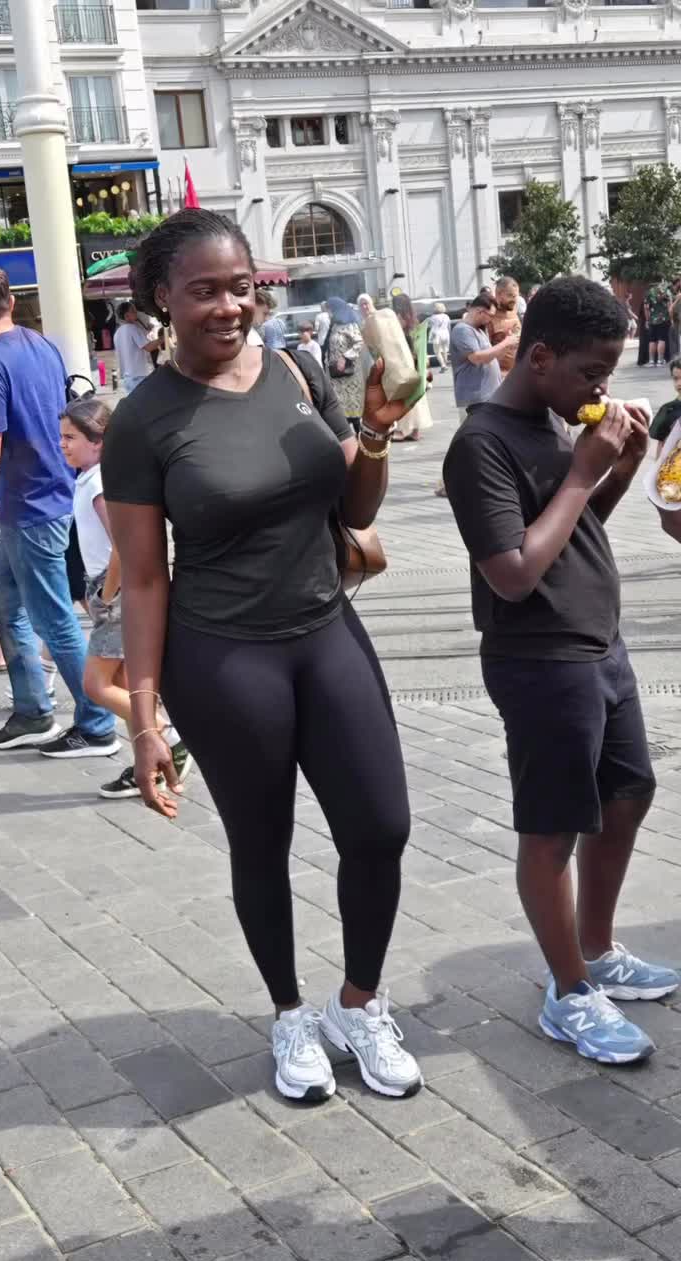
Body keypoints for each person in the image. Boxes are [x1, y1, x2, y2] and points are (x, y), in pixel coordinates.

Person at [101, 208, 422, 1104]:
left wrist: (374, 431)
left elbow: (354, 511)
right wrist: (145, 722)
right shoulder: (142, 422)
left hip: (327, 633)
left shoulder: (294, 370)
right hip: (224, 659)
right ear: (161, 299)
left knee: (381, 828)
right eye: (203, 291)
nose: (228, 307)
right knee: (262, 843)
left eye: (241, 287)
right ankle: (289, 1015)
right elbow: (144, 580)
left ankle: (358, 1004)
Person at [443, 276, 678, 1066]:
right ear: (539, 357)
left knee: (629, 794)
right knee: (552, 828)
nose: (601, 388)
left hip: (598, 645)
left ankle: (598, 949)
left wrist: (617, 471)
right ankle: (568, 991)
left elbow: (571, 535)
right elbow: (514, 574)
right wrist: (582, 473)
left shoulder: (555, 418)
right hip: (539, 658)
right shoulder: (481, 445)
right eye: (592, 371)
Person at [0, 263, 118, 756]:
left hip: (31, 506)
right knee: (3, 601)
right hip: (44, 497)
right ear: (11, 302)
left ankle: (97, 724)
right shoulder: (41, 344)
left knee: (54, 620)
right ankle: (32, 711)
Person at [59, 396, 192, 799]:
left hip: (115, 590)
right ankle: (148, 765)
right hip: (109, 587)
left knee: (96, 685)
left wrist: (108, 591)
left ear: (98, 441)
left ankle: (168, 736)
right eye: (61, 437)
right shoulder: (90, 478)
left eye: (70, 437)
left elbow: (122, 544)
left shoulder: (101, 482)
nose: (62, 444)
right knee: (125, 683)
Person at [449, 293, 517, 425]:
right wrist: (505, 343)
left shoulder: (479, 330)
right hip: (475, 399)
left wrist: (508, 346)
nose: (491, 320)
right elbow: (477, 358)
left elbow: (492, 357)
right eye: (490, 315)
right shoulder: (463, 330)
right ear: (480, 311)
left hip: (487, 397)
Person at [389, 293, 432, 444]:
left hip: (403, 362)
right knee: (416, 396)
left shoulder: (397, 319)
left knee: (403, 396)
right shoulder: (414, 320)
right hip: (415, 362)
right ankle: (415, 431)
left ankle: (401, 430)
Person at [325, 297, 365, 433]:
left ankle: (359, 434)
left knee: (352, 404)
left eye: (330, 310)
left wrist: (345, 357)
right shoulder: (334, 325)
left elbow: (359, 343)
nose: (328, 313)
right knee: (339, 406)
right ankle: (346, 435)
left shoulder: (350, 325)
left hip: (349, 373)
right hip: (335, 374)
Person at [113, 301, 160, 394]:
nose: (136, 313)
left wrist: (147, 331)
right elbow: (148, 347)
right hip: (138, 376)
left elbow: (133, 346)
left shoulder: (117, 333)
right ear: (127, 316)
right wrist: (163, 338)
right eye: (133, 311)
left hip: (127, 378)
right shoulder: (133, 328)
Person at [488, 277, 523, 378]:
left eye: (516, 296)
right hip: (499, 377)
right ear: (499, 295)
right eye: (510, 296)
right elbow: (484, 353)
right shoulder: (489, 315)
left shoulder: (513, 310)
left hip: (518, 373)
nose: (514, 300)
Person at [649, 356, 681, 458]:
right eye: (675, 378)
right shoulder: (667, 410)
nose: (679, 383)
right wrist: (658, 465)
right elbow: (661, 444)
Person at [644, 281, 672, 366]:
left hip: (652, 320)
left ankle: (651, 361)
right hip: (664, 319)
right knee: (661, 339)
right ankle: (660, 360)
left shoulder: (649, 292)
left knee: (652, 340)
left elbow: (646, 308)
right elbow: (670, 306)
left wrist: (647, 320)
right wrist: (671, 318)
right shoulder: (666, 291)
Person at [428, 302, 450, 372]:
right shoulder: (446, 316)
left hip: (437, 334)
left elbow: (430, 325)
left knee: (437, 351)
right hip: (445, 334)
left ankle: (443, 365)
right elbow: (448, 326)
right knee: (444, 350)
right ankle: (445, 364)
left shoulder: (433, 317)